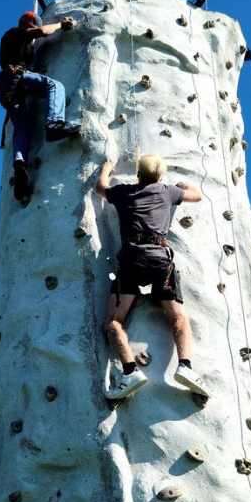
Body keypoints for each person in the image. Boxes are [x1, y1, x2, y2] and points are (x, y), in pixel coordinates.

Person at [96, 154, 210, 401]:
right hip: (160, 261)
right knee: (178, 316)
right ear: (159, 176)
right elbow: (197, 194)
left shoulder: (125, 192)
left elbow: (101, 189)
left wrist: (106, 168)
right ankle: (186, 366)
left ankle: (130, 371)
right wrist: (180, 185)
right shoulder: (168, 192)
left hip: (132, 261)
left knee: (114, 322)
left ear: (138, 174)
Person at [0, 11, 81, 202]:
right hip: (16, 78)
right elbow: (42, 31)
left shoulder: (16, 41)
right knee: (54, 85)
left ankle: (20, 164)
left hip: (8, 87)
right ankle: (54, 124)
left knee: (22, 127)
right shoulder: (15, 33)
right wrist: (61, 25)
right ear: (29, 23)